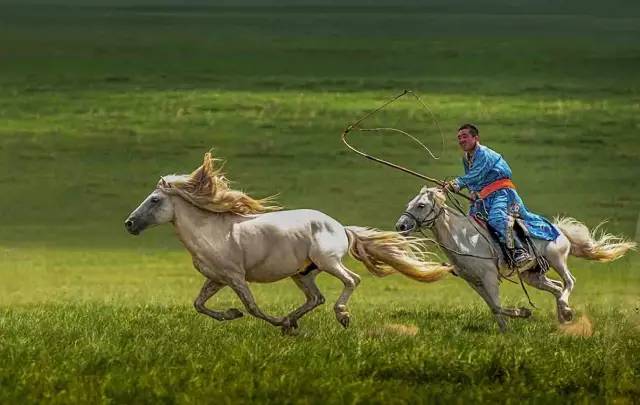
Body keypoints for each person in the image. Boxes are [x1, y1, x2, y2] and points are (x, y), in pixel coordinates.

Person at [444, 124, 559, 271]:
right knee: (469, 224)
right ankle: (464, 259)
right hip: (484, 198)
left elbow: (476, 174)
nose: (461, 140)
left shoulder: (484, 153)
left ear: (476, 138)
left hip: (502, 193)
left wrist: (455, 184)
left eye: (465, 136)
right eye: (459, 138)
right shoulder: (466, 158)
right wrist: (471, 191)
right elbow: (473, 180)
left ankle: (519, 251)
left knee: (497, 219)